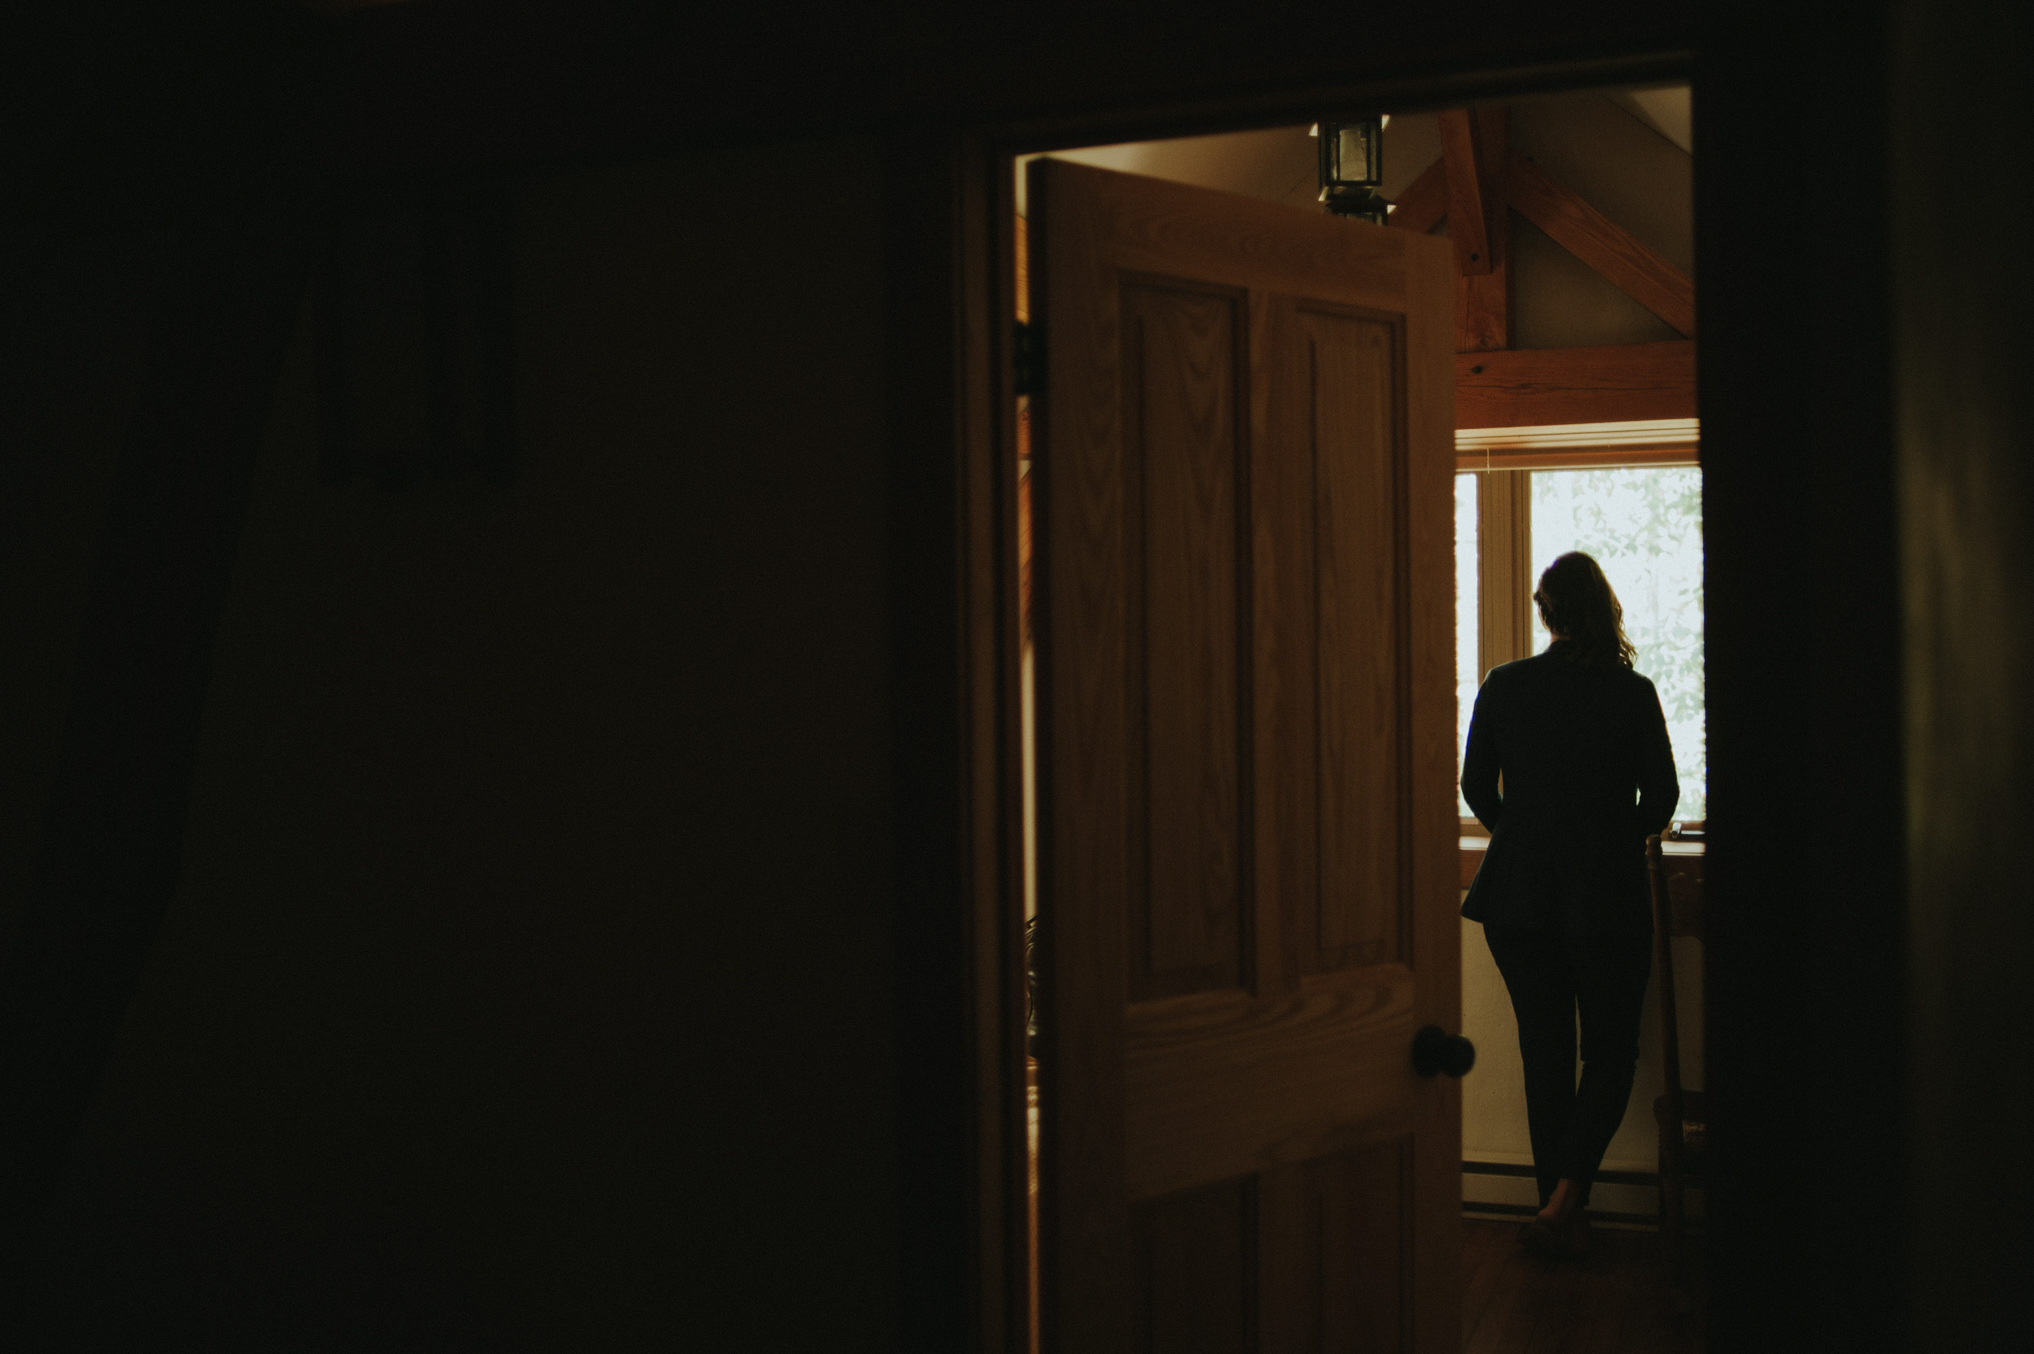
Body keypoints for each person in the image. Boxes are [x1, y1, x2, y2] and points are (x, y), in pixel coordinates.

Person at [1461, 551, 1679, 1260]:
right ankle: (1564, 1202)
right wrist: (1603, 840)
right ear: (1604, 606)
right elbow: (1663, 800)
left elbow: (1475, 786)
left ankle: (1552, 1207)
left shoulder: (1504, 685)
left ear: (1544, 611)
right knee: (1613, 1051)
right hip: (1606, 894)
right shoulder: (1631, 692)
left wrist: (1524, 837)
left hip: (1517, 897)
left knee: (1544, 1052)